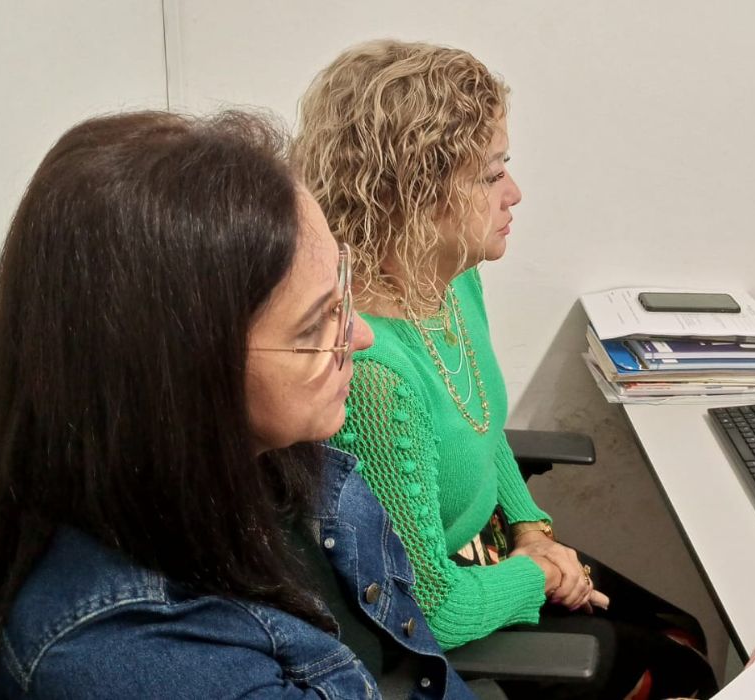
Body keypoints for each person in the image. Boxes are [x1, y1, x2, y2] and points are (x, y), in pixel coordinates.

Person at [0, 111, 474, 698]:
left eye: (342, 293)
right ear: (182, 375)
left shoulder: (287, 464)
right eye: (313, 326)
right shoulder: (131, 655)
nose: (360, 336)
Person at [293, 39, 718, 699]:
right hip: (451, 608)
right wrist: (540, 575)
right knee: (681, 672)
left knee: (684, 632)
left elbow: (483, 429)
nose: (514, 194)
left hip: (500, 550)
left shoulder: (451, 278)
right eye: (491, 175)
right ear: (417, 191)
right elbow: (427, 606)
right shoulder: (376, 377)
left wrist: (532, 528)